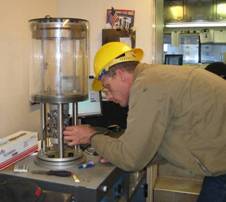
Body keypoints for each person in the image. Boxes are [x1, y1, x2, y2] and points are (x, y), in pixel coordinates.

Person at [64, 42, 226, 202]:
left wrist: (91, 136)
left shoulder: (147, 85)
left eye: (108, 87)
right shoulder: (155, 77)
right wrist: (116, 151)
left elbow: (130, 159)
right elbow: (160, 144)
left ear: (120, 74)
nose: (109, 96)